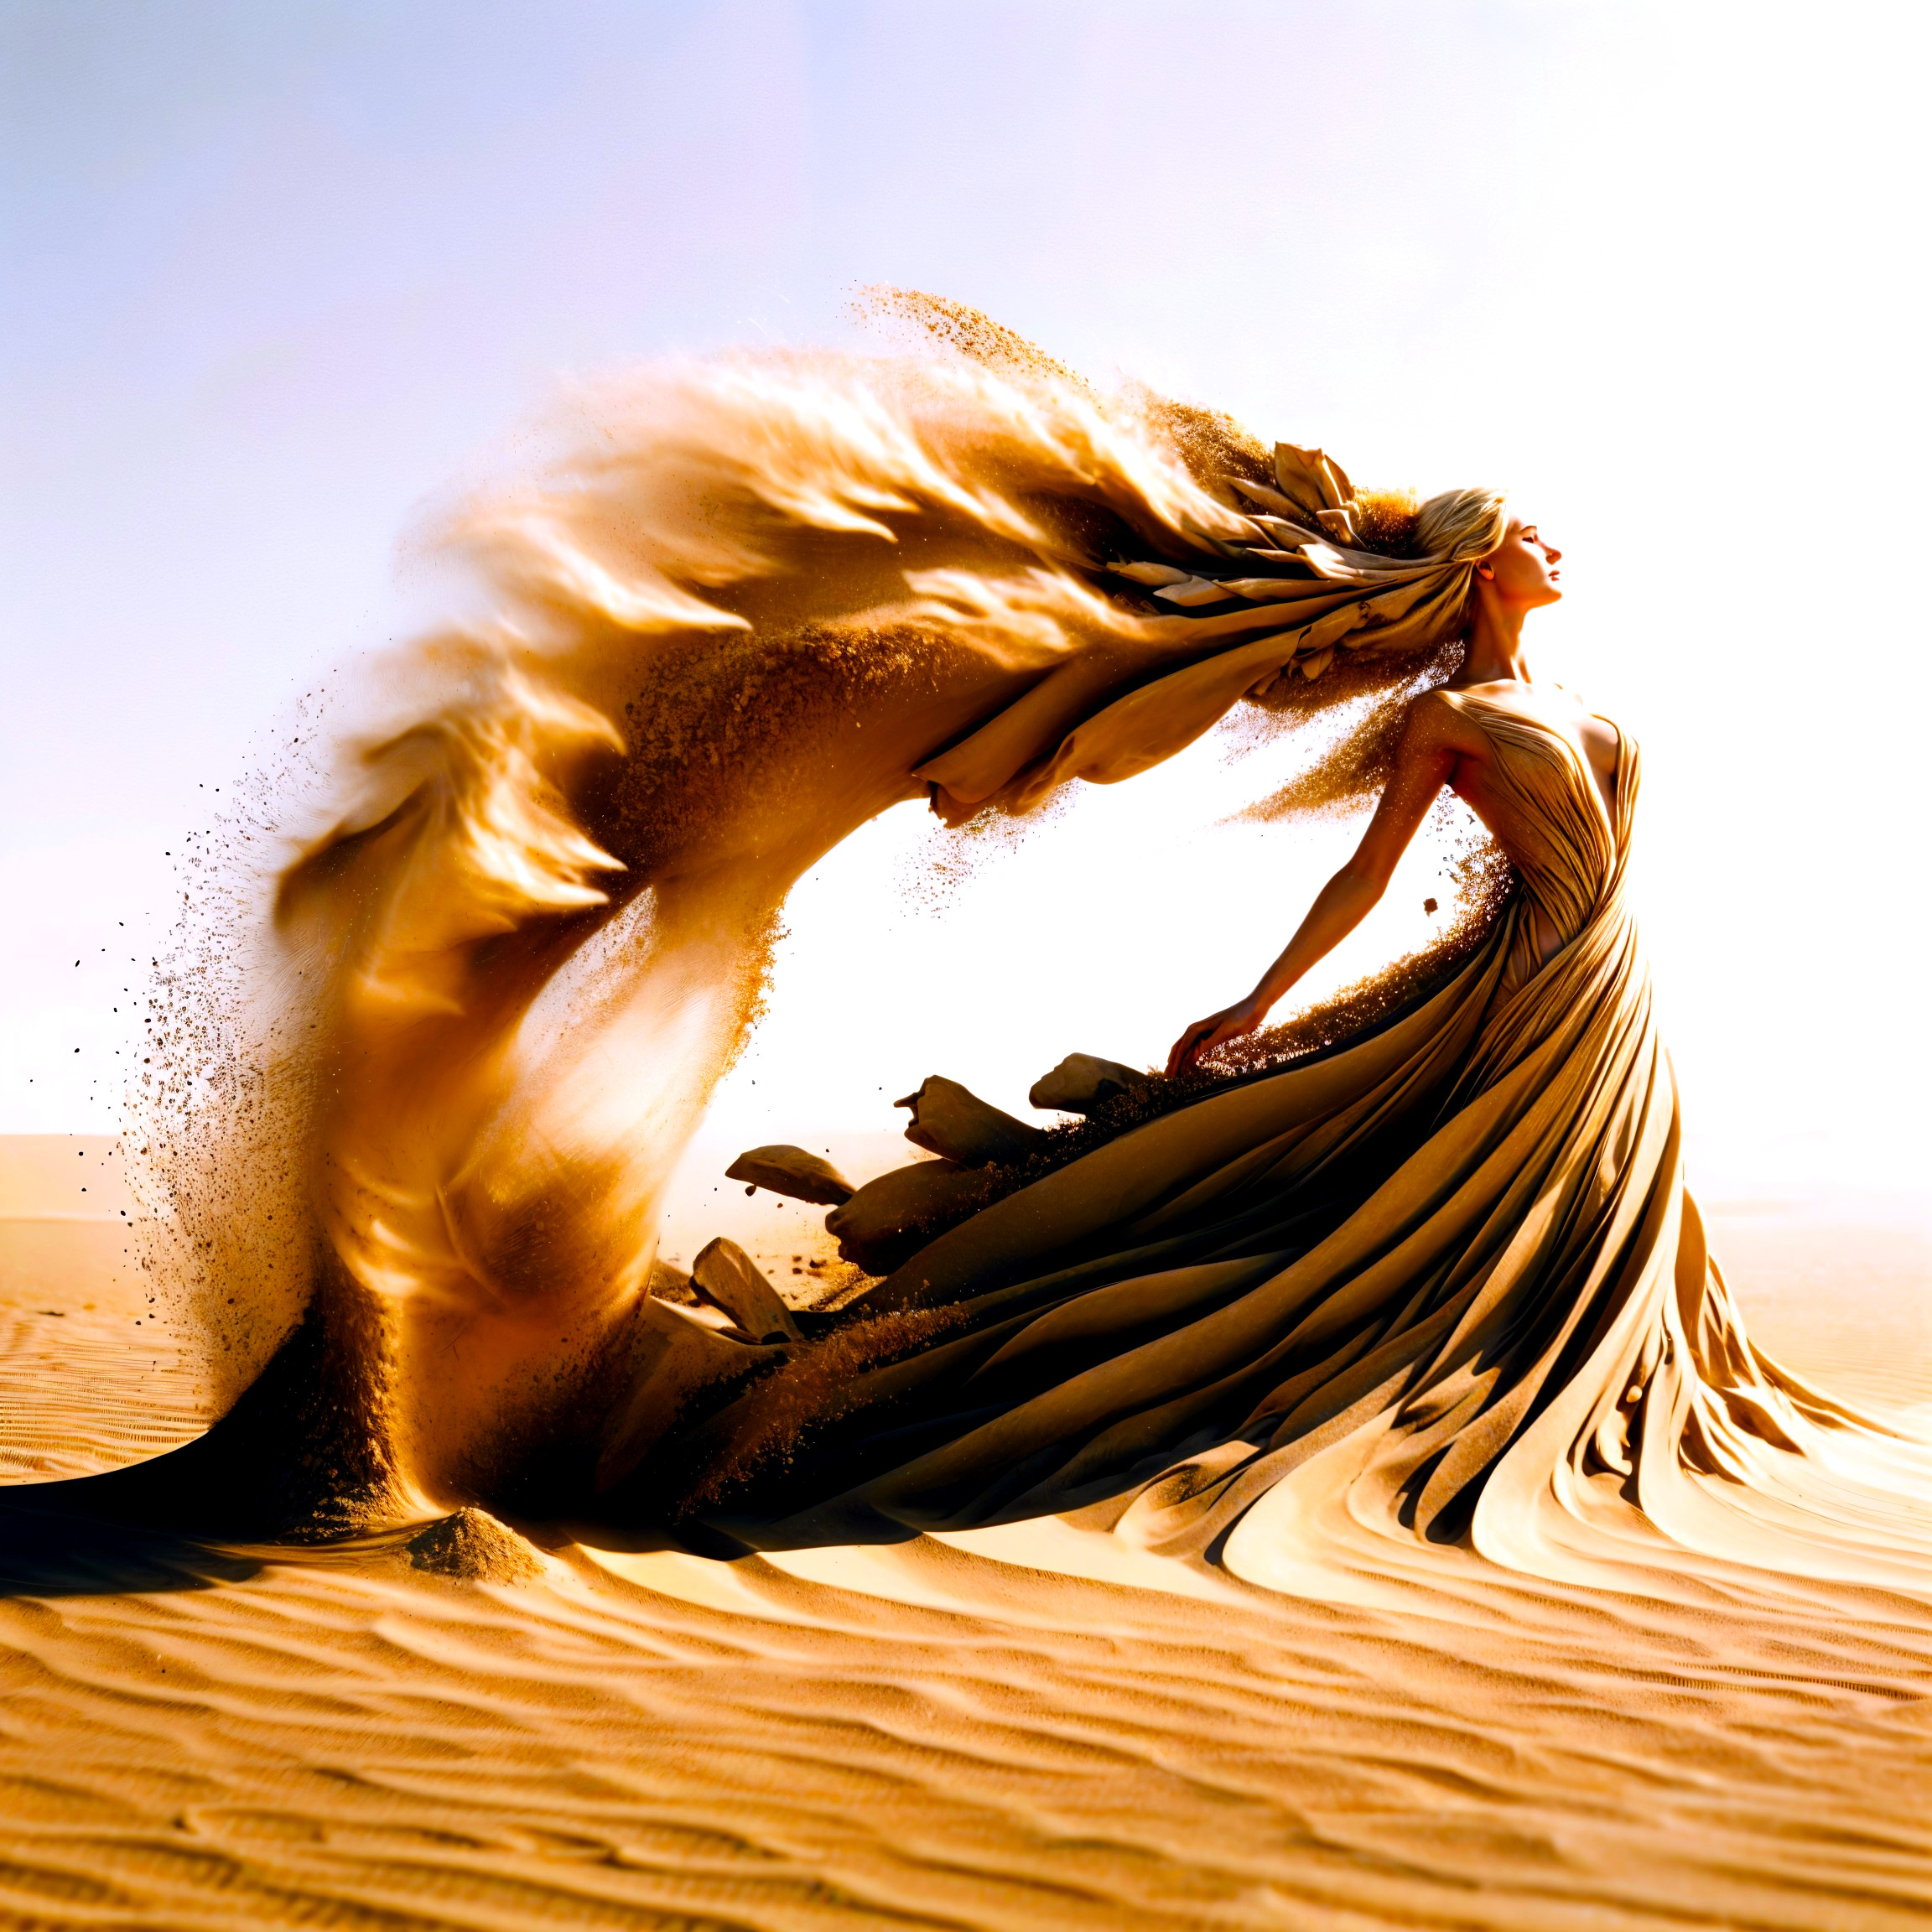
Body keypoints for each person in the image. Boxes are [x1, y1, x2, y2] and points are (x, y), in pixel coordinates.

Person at [636, 484, 1929, 1597]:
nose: (1555, 546)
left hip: (1612, 979)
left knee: (1604, 1200)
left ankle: (1604, 1387)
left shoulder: (1584, 705)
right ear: (1481, 562)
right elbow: (1365, 881)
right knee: (1448, 1206)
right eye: (1531, 533)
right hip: (1534, 980)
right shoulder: (1451, 721)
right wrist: (1259, 1003)